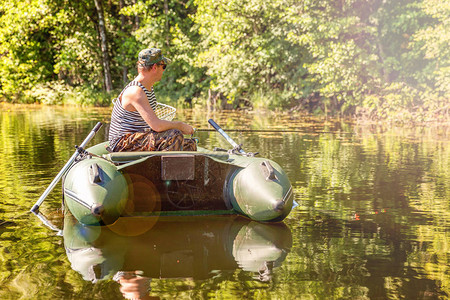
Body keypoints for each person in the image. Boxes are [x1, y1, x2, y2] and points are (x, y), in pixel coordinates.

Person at [108, 48, 196, 152]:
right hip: (122, 144)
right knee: (174, 135)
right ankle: (164, 167)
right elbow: (156, 126)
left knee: (189, 145)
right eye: (163, 66)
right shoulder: (136, 91)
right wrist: (180, 125)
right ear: (155, 67)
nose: (164, 70)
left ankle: (170, 166)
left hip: (138, 139)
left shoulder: (148, 88)